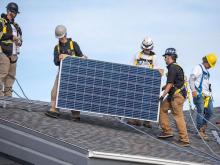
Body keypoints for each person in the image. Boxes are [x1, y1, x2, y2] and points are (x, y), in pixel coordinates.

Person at [45, 25, 86, 120]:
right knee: (55, 91)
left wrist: (67, 56)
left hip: (75, 74)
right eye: (60, 38)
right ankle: (54, 110)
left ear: (66, 35)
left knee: (73, 93)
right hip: (62, 73)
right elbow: (55, 62)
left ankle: (76, 115)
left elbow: (81, 58)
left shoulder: (73, 44)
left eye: (62, 37)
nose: (61, 39)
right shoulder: (57, 48)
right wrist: (60, 58)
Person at [127, 37, 163, 128]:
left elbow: (157, 68)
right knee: (136, 99)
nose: (146, 49)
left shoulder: (154, 57)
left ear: (151, 47)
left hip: (149, 82)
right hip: (137, 80)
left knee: (148, 100)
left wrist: (160, 71)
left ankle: (147, 120)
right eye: (145, 47)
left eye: (148, 48)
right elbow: (130, 66)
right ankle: (135, 119)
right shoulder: (137, 55)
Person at [158, 48, 189, 147]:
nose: (165, 59)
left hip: (177, 96)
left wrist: (162, 96)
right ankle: (167, 131)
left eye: (165, 57)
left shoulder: (172, 68)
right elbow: (172, 83)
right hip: (173, 95)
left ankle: (184, 140)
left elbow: (170, 84)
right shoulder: (175, 67)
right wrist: (163, 87)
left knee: (178, 116)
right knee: (163, 108)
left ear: (170, 57)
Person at [189, 53, 217, 140]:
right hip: (199, 94)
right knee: (200, 111)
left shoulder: (207, 72)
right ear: (206, 61)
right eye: (210, 65)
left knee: (210, 111)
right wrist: (193, 90)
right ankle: (200, 130)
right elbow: (191, 79)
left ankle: (203, 126)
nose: (210, 67)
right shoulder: (198, 68)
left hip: (207, 96)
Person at [0, 2, 22, 97]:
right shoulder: (2, 22)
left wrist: (20, 42)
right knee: (2, 74)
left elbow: (20, 38)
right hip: (3, 53)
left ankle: (8, 99)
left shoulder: (16, 26)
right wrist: (11, 37)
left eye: (16, 13)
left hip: (14, 54)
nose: (15, 14)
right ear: (9, 11)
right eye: (14, 12)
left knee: (11, 77)